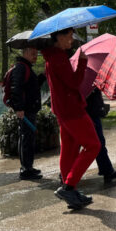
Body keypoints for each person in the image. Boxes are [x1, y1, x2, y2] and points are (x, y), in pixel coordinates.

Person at [41, 28, 101, 210]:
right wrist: (82, 62)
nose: (72, 40)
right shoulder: (58, 58)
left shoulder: (53, 56)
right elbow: (74, 83)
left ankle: (70, 190)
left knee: (69, 149)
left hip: (63, 109)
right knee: (93, 146)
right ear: (59, 37)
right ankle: (68, 187)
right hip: (72, 110)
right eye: (69, 36)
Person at [8, 46, 46, 180]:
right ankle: (26, 169)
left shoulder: (26, 67)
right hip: (25, 110)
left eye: (36, 53)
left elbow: (32, 87)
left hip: (28, 109)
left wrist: (42, 76)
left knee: (28, 138)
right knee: (26, 138)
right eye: (32, 53)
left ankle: (28, 167)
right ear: (25, 53)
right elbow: (16, 88)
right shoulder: (21, 67)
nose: (35, 56)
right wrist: (19, 108)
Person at [85, 87, 116, 183]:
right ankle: (107, 171)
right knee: (97, 144)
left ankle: (107, 171)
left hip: (93, 113)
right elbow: (84, 95)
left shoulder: (91, 81)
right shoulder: (87, 81)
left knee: (99, 144)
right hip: (90, 114)